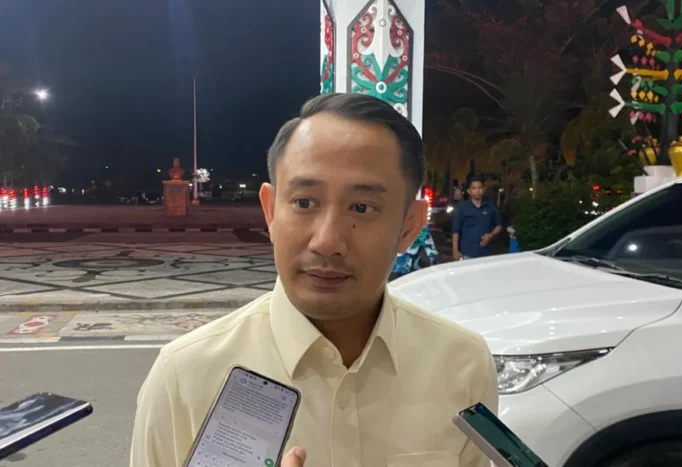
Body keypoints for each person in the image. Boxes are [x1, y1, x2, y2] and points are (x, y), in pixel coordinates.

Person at [130, 93, 498, 467]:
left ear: (409, 226)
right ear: (270, 211)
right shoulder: (184, 378)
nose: (327, 241)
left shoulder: (462, 366)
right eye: (304, 202)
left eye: (362, 208)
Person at [452, 177, 503, 261]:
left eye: (479, 188)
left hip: (486, 253)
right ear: (469, 191)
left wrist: (491, 235)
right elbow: (455, 231)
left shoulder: (490, 207)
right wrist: (455, 250)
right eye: (474, 188)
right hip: (467, 253)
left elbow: (499, 225)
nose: (477, 191)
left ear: (484, 190)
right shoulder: (462, 208)